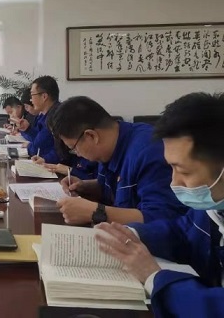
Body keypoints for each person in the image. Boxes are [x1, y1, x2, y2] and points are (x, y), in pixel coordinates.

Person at [95, 92, 224, 318]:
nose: (174, 182)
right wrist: (133, 234)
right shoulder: (213, 206)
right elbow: (183, 232)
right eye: (170, 168)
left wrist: (153, 276)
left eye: (184, 171)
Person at [49, 96, 188, 225]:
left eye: (73, 148)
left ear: (91, 136)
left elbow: (161, 218)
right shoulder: (109, 146)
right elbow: (114, 189)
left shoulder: (148, 152)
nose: (77, 154)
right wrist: (85, 186)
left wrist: (96, 212)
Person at [13, 76, 59, 163]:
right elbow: (39, 138)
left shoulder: (56, 116)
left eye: (32, 95)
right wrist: (27, 128)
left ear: (44, 96)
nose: (31, 99)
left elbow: (37, 148)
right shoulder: (44, 115)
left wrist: (29, 146)